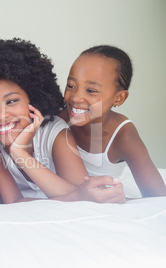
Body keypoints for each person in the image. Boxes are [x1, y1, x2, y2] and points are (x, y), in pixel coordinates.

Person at [0, 37, 125, 203]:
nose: (0, 116)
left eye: (11, 101)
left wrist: (20, 153)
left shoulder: (55, 133)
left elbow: (81, 195)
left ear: (34, 100)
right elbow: (14, 200)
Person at [59, 45, 166, 198]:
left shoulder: (123, 136)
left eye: (91, 90)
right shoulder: (59, 118)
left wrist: (114, 199)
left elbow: (158, 197)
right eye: (71, 86)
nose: (75, 98)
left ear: (119, 98)